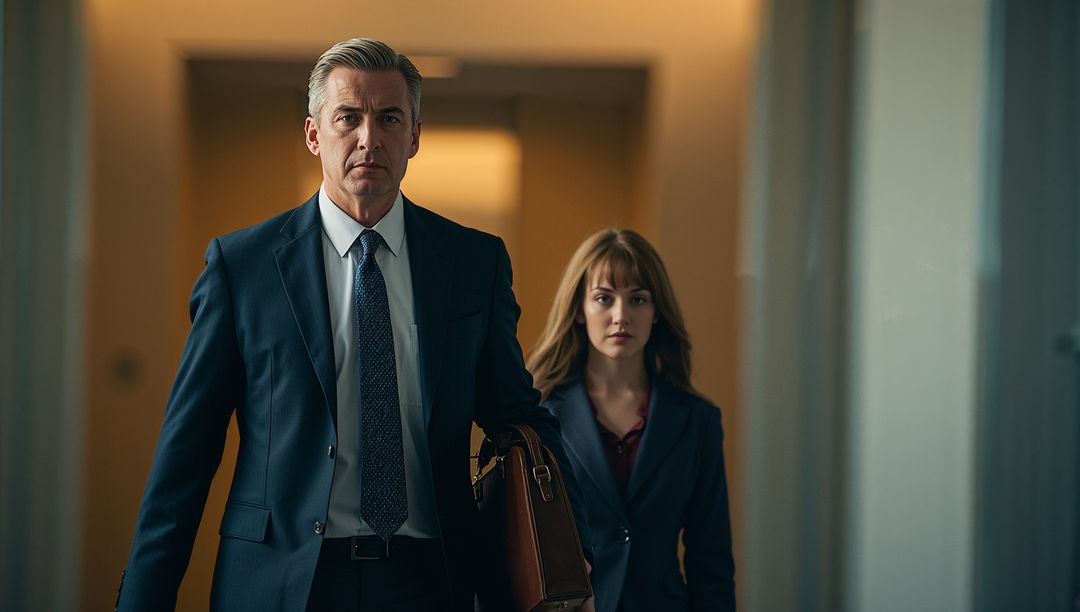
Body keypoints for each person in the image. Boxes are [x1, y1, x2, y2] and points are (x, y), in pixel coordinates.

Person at [115, 37, 591, 612]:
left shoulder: (473, 264)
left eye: (390, 118)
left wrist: (573, 552)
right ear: (315, 134)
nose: (370, 138)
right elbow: (184, 459)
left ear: (414, 136)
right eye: (349, 118)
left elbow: (517, 414)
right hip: (282, 582)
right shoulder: (242, 268)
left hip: (431, 580)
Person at [528, 229, 735, 612]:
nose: (621, 315)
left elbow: (712, 558)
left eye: (637, 299)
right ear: (578, 309)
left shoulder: (698, 421)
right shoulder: (541, 417)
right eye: (604, 299)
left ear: (656, 312)